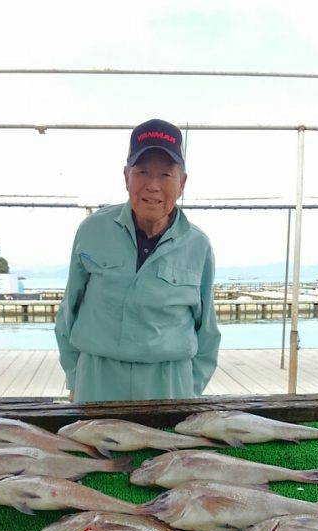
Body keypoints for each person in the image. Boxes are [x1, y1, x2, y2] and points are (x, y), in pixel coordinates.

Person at [55, 118, 220, 402]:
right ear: (126, 177)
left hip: (170, 382)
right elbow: (69, 311)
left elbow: (207, 332)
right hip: (97, 379)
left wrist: (188, 391)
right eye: (142, 172)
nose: (153, 186)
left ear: (182, 183)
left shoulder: (199, 245)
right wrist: (75, 376)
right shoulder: (92, 230)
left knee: (170, 448)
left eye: (166, 175)